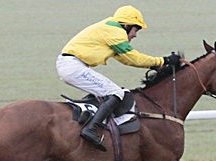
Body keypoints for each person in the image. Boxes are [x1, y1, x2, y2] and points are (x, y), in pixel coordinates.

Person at [56, 5, 181, 151]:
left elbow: (125, 59)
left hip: (72, 65)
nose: (135, 34)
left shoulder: (111, 30)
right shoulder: (115, 32)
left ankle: (92, 119)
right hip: (73, 66)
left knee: (111, 92)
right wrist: (163, 61)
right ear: (126, 25)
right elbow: (132, 57)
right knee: (116, 93)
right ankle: (91, 128)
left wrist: (154, 65)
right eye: (136, 29)